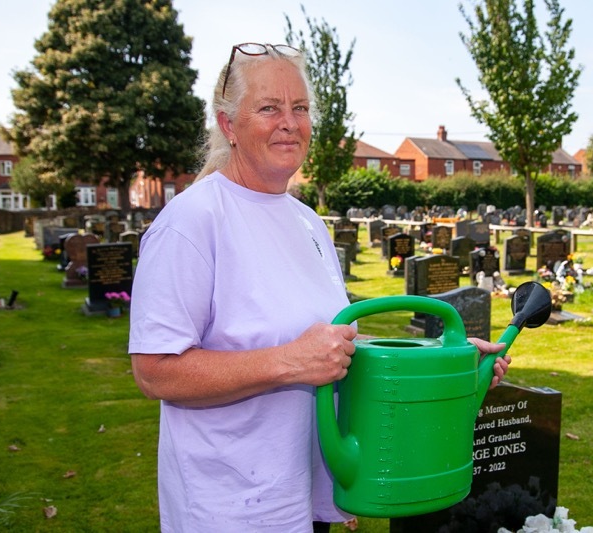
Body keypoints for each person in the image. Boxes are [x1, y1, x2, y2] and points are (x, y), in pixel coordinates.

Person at [128, 42, 511, 532]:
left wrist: (445, 361)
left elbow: (330, 344)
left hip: (307, 490)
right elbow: (155, 371)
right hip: (232, 506)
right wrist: (288, 361)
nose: (290, 122)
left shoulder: (308, 223)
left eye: (300, 108)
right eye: (269, 108)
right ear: (229, 126)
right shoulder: (192, 223)